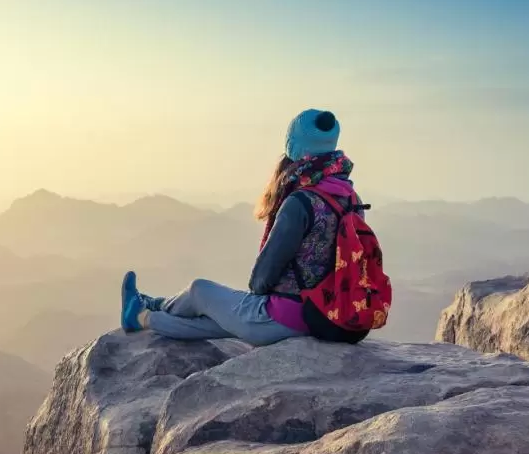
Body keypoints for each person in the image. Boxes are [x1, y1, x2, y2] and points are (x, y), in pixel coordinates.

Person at [121, 108, 366, 346]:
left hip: (283, 317)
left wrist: (256, 298)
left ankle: (150, 308)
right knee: (215, 322)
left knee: (199, 290)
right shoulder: (350, 197)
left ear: (295, 147)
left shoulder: (300, 202)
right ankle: (144, 315)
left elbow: (262, 278)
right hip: (325, 317)